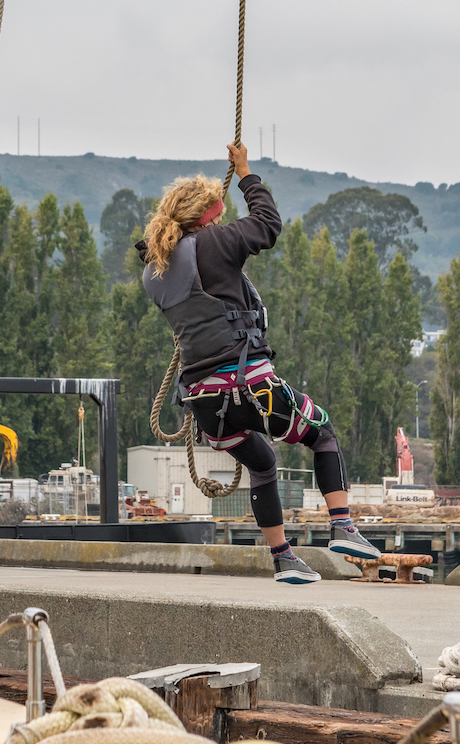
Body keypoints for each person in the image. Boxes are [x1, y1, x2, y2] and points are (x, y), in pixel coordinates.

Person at [136, 142, 381, 584]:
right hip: (249, 386)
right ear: (206, 215)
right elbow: (268, 224)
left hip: (205, 405)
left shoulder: (155, 270)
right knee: (322, 432)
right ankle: (343, 527)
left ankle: (283, 558)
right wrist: (246, 173)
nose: (222, 219)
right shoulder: (213, 243)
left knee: (263, 463)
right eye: (217, 213)